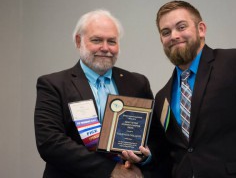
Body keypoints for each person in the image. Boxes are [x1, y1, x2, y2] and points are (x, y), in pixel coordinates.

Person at [147, 0, 236, 178]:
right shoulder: (163, 96)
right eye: (166, 32)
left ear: (201, 29)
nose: (174, 36)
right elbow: (172, 154)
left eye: (181, 27)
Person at [34, 9, 152, 178]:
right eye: (96, 40)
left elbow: (155, 137)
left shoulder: (137, 83)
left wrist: (144, 158)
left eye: (112, 41)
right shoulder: (54, 85)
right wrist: (110, 170)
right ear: (78, 41)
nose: (105, 48)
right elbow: (50, 143)